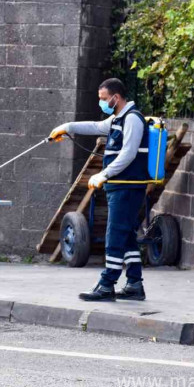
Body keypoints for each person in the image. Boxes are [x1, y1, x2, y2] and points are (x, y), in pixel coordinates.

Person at [48, 78, 149, 302]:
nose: (101, 103)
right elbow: (95, 126)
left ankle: (106, 284)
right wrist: (67, 128)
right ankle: (134, 284)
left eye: (104, 99)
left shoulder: (132, 119)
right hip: (119, 186)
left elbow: (128, 154)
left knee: (114, 234)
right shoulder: (117, 119)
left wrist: (104, 173)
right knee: (127, 236)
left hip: (127, 187)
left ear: (116, 97)